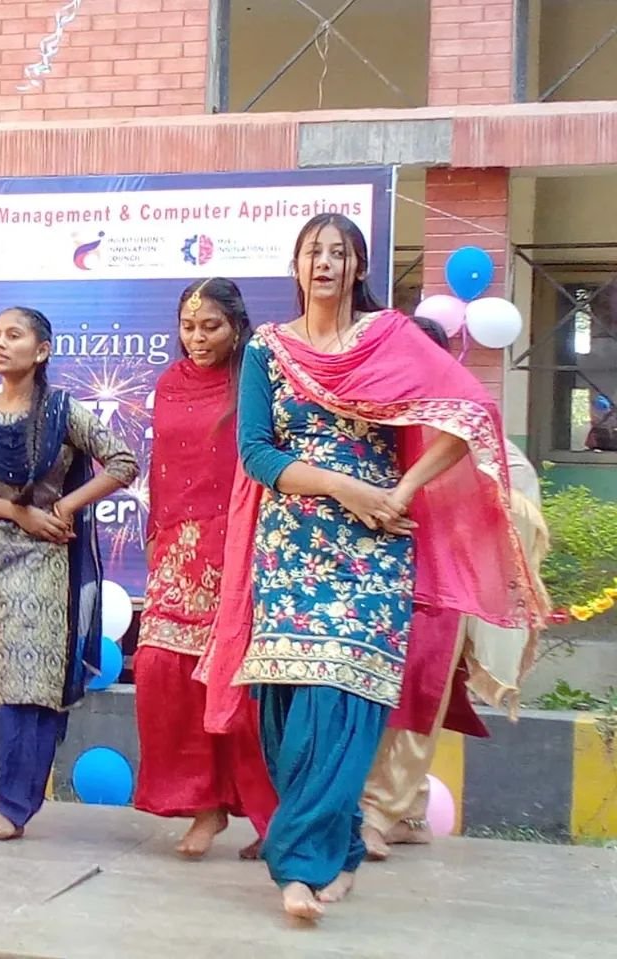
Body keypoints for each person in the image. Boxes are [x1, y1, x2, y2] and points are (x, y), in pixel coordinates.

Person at [199, 214, 546, 921]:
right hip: (291, 547)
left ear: (358, 267)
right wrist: (344, 487)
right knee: (287, 716)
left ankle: (299, 869)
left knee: (342, 704)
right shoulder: (269, 349)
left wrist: (403, 491)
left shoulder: (388, 337)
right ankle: (345, 843)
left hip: (372, 547)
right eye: (312, 252)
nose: (324, 263)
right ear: (297, 267)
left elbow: (471, 414)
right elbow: (257, 453)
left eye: (339, 253)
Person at [0, 306, 139, 842]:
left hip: (39, 564)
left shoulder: (63, 410)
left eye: (13, 336)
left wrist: (64, 508)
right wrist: (16, 512)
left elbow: (123, 462)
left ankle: (16, 804)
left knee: (24, 686)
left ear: (41, 351)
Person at [360, 316, 551, 859]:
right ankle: (406, 811)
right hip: (375, 580)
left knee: (416, 697)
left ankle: (377, 813)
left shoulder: (464, 424)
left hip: (440, 588)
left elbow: (516, 491)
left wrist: (471, 508)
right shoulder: (377, 416)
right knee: (372, 698)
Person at [133, 279, 276, 860]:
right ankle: (204, 805)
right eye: (188, 326)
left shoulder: (256, 381)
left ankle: (273, 818)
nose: (197, 337)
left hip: (242, 544)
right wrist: (155, 534)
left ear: (237, 328)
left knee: (242, 686)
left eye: (210, 326)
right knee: (161, 672)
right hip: (177, 546)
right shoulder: (170, 383)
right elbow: (162, 466)